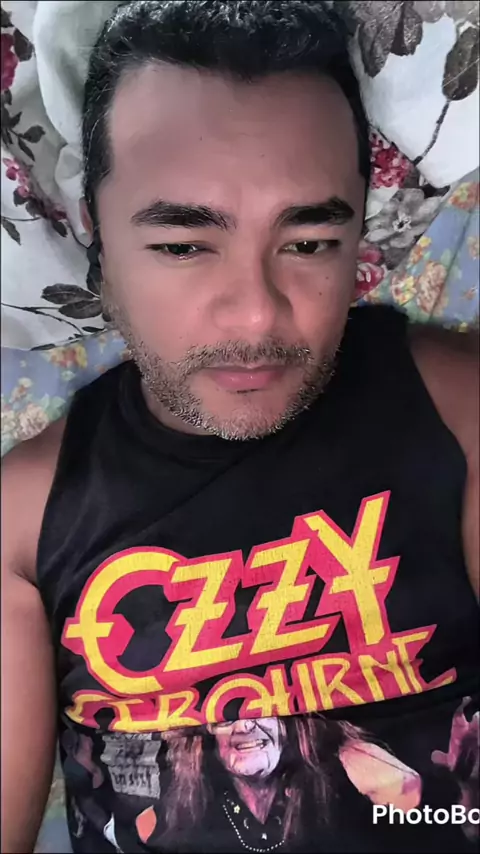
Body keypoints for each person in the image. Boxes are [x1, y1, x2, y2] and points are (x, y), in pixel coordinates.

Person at [1, 2, 478, 853]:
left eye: (310, 241)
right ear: (98, 236)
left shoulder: (456, 406)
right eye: (184, 245)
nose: (257, 314)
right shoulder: (22, 520)